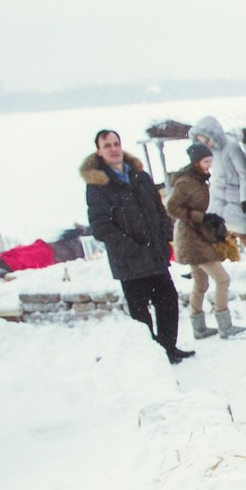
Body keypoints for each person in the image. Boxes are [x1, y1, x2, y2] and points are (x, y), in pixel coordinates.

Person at [82, 129, 192, 364]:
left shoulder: (139, 176)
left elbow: (158, 209)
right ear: (99, 152)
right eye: (107, 145)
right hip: (130, 263)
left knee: (168, 304)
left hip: (155, 256)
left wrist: (164, 237)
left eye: (116, 143)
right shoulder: (98, 186)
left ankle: (168, 348)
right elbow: (101, 227)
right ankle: (151, 359)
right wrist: (131, 248)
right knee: (141, 316)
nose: (113, 149)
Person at [167, 143, 246, 341]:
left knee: (200, 283)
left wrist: (210, 218)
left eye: (210, 161)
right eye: (206, 162)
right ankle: (224, 324)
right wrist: (200, 217)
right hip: (192, 239)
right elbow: (172, 207)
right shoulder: (186, 182)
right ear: (196, 162)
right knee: (222, 279)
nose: (209, 166)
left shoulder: (199, 180)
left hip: (198, 235)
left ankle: (199, 328)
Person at [192, 114, 246, 276]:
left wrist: (245, 199)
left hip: (235, 196)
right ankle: (201, 269)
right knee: (207, 231)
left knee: (240, 232)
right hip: (217, 196)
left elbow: (243, 175)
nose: (206, 144)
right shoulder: (210, 153)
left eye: (207, 140)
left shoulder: (231, 147)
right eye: (202, 141)